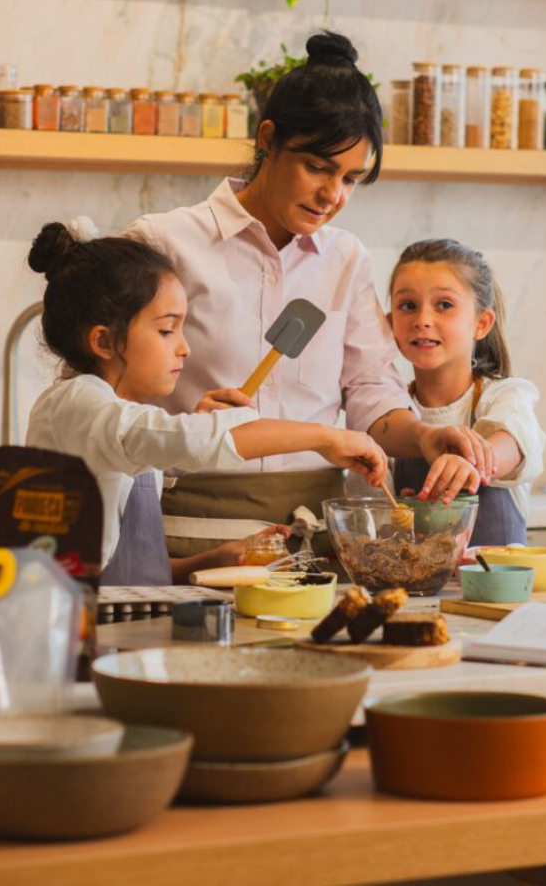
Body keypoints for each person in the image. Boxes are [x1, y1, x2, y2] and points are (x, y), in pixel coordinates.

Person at [127, 31, 490, 560]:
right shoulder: (165, 244)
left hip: (317, 543)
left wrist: (425, 436)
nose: (333, 196)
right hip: (196, 536)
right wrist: (185, 423)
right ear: (268, 139)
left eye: (351, 178)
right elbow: (110, 392)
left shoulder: (345, 258)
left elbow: (369, 388)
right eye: (318, 167)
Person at [24, 221, 388, 585]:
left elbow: (133, 568)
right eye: (167, 330)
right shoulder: (76, 404)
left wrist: (214, 559)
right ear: (103, 342)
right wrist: (325, 437)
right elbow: (179, 440)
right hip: (66, 624)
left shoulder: (119, 418)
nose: (185, 347)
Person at [388, 237, 546, 546]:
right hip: (411, 595)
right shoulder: (388, 416)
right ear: (389, 320)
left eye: (444, 305)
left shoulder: (505, 397)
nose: (422, 320)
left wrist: (470, 462)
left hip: (497, 595)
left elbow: (513, 441)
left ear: (482, 323)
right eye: (407, 306)